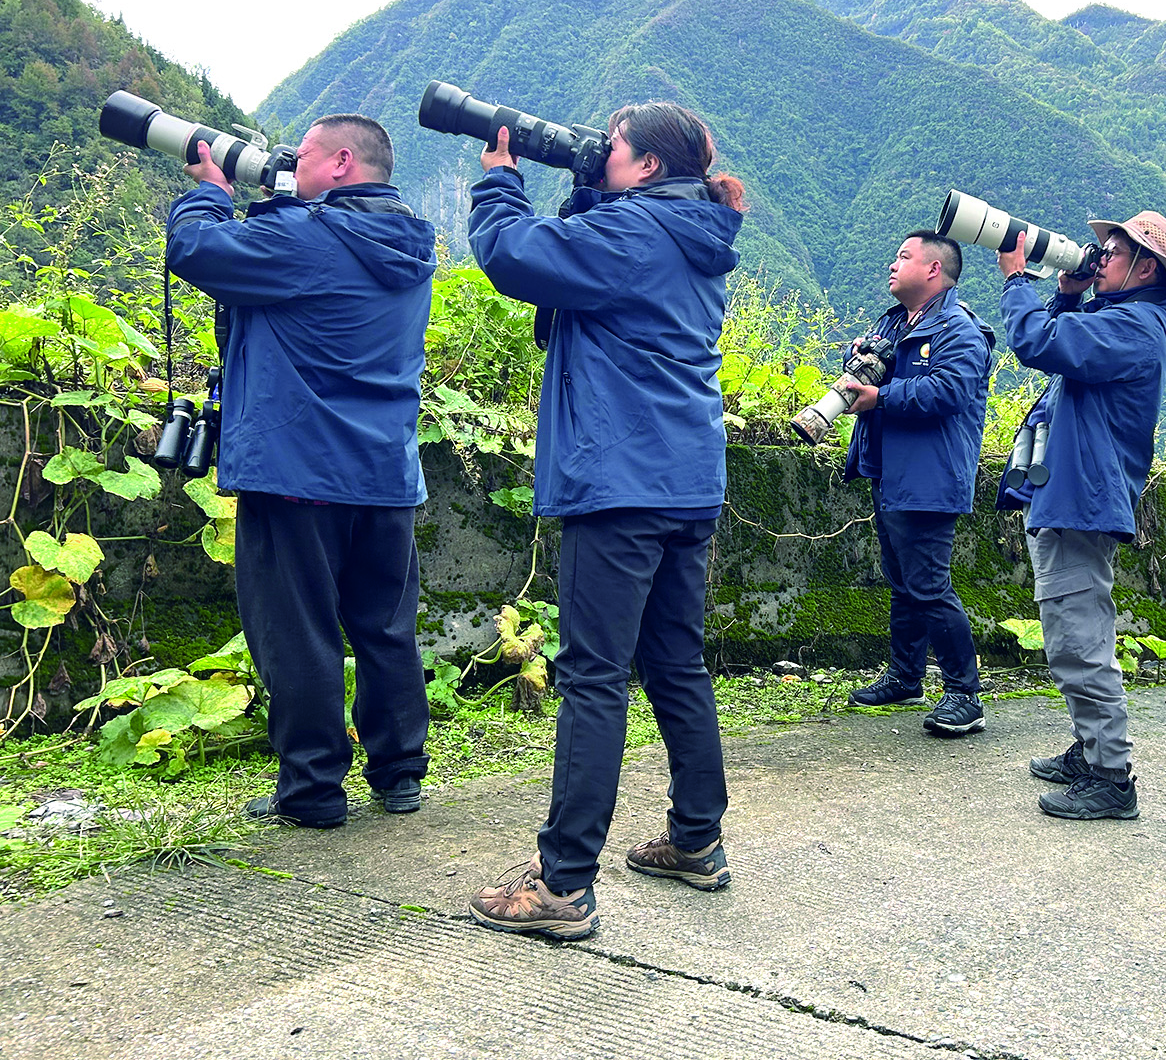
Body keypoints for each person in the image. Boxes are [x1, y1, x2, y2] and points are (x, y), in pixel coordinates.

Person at [465, 101, 745, 940]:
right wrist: (588, 192)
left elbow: (513, 258)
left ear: (649, 165)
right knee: (674, 664)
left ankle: (563, 883)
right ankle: (697, 840)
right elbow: (577, 296)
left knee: (593, 677)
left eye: (612, 146)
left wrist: (501, 184)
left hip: (620, 481)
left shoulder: (635, 234)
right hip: (685, 480)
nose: (600, 152)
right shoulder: (688, 231)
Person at [166, 115, 436, 830]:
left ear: (343, 161)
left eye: (306, 154)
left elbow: (196, 249)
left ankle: (313, 790)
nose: (293, 162)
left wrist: (210, 191)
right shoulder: (410, 242)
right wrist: (285, 199)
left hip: (299, 471)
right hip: (385, 473)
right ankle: (400, 773)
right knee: (385, 628)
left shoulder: (305, 237)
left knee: (300, 632)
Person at [997, 213, 1166, 820]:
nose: (1098, 257)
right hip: (1070, 494)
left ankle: (1111, 775)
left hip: (1083, 501)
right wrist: (1063, 295)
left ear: (1145, 267)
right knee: (1072, 631)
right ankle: (1090, 750)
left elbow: (1038, 345)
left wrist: (1016, 280)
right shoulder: (1123, 320)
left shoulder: (1135, 327)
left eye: (1113, 251)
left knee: (1078, 639)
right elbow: (1063, 352)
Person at [840, 232, 995, 735]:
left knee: (929, 585)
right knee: (902, 580)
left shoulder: (960, 329)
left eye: (903, 257)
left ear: (933, 270)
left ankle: (964, 694)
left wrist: (880, 397)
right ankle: (906, 677)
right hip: (889, 467)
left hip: (929, 474)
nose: (892, 264)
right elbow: (880, 371)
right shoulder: (895, 321)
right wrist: (857, 360)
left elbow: (948, 391)